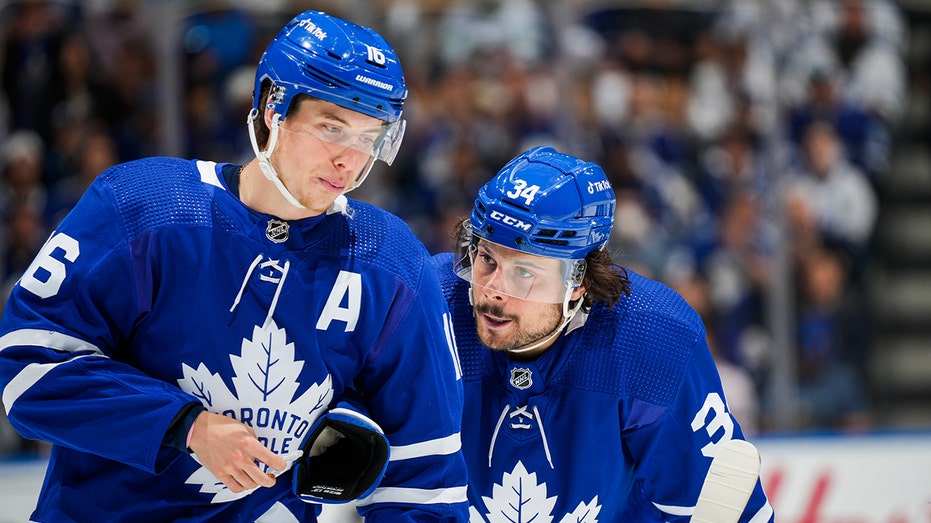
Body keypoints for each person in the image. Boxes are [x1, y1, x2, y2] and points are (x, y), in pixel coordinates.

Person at [0, 10, 468, 523]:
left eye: (368, 137)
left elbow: (428, 476)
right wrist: (186, 426)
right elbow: (28, 366)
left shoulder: (392, 263)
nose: (349, 161)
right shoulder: (144, 207)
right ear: (273, 107)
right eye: (332, 128)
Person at [432, 146, 774, 521]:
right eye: (487, 259)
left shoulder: (651, 338)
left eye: (524, 273)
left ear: (577, 282)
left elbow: (725, 509)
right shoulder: (429, 306)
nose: (493, 290)